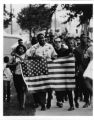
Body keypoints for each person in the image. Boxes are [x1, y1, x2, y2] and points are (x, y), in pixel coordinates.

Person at [26, 33, 57, 110]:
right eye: (40, 38)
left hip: (49, 68)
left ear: (45, 38)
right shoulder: (34, 47)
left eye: (43, 38)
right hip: (39, 69)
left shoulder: (50, 46)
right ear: (38, 39)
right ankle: (43, 104)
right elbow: (28, 56)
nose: (42, 39)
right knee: (42, 87)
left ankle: (49, 100)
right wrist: (35, 57)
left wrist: (53, 58)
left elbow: (55, 55)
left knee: (49, 87)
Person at [74, 34, 91, 108]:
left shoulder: (91, 48)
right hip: (82, 69)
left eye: (85, 38)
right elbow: (76, 62)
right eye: (83, 38)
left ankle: (90, 100)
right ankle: (87, 101)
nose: (84, 39)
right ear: (80, 39)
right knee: (84, 86)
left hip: (90, 68)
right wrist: (76, 70)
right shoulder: (77, 49)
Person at [11, 39, 27, 110]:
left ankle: (22, 105)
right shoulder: (14, 57)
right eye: (19, 48)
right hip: (16, 75)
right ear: (17, 49)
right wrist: (15, 63)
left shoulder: (26, 56)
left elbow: (27, 63)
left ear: (24, 49)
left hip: (24, 75)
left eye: (22, 48)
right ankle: (20, 103)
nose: (21, 49)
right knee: (18, 90)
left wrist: (20, 57)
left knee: (23, 90)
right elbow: (10, 65)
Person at [53, 37, 69, 108]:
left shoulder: (65, 50)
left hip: (63, 71)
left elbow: (69, 57)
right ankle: (59, 100)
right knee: (57, 86)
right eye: (56, 42)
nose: (57, 43)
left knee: (63, 86)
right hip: (55, 71)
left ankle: (62, 98)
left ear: (61, 42)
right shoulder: (52, 50)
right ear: (54, 43)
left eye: (59, 42)